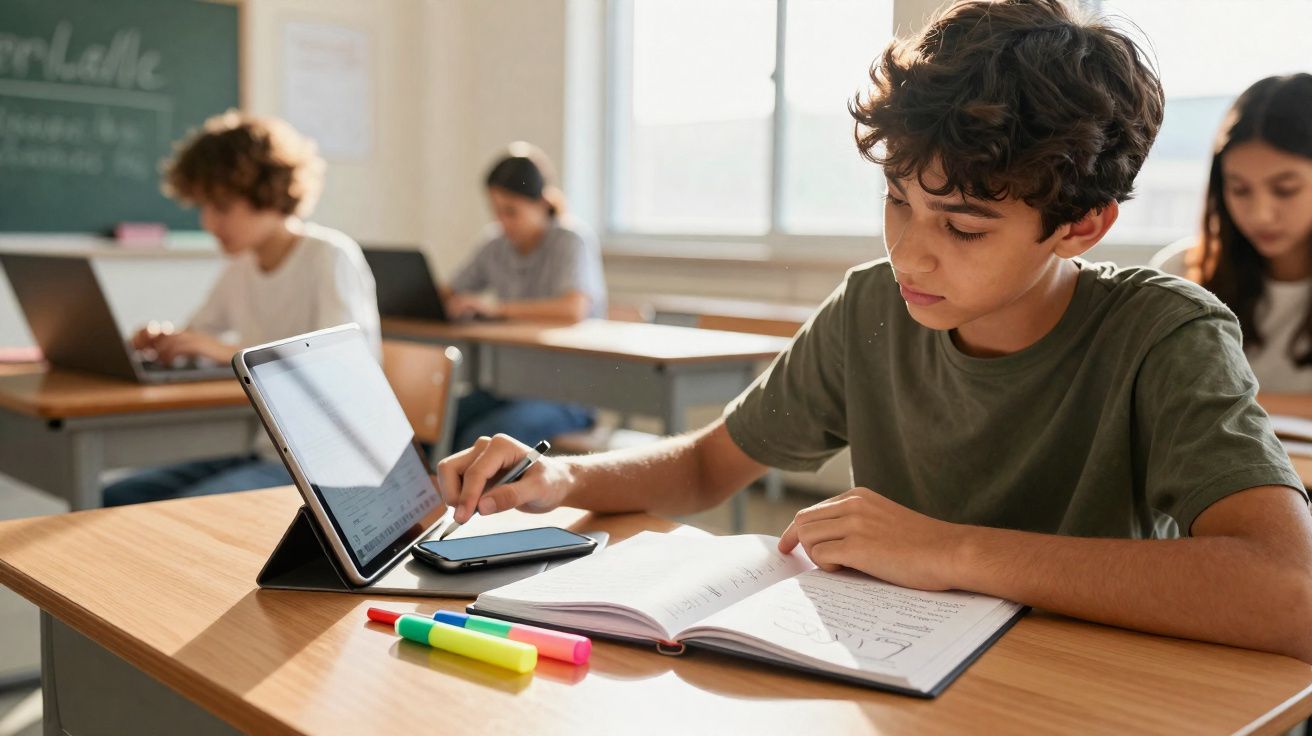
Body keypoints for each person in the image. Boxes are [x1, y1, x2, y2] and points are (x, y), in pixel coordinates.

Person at [437, 0, 1312, 663]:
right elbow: (708, 464)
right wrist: (562, 474)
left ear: (1082, 224)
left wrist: (953, 552)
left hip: (1079, 691)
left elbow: (1288, 588)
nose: (911, 255)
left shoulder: (1165, 332)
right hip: (894, 683)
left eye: (963, 228)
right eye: (897, 201)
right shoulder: (871, 307)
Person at [103, 111, 381, 506]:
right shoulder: (242, 266)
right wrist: (166, 340)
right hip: (271, 450)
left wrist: (227, 353)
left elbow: (343, 376)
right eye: (203, 206)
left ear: (268, 194)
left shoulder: (329, 257)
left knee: (176, 514)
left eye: (221, 206)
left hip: (330, 464)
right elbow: (197, 335)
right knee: (116, 497)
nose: (207, 222)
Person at [1151, 74, 1312, 393]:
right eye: (1239, 189)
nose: (1260, 214)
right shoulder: (1180, 274)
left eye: (1284, 190)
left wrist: (1226, 407)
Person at [445, 143, 606, 450]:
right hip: (511, 386)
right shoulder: (495, 244)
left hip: (568, 395)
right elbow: (453, 288)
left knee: (482, 439)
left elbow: (573, 309)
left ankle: (475, 500)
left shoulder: (571, 241)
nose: (503, 221)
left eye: (511, 212)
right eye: (496, 211)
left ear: (542, 203)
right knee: (439, 422)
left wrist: (495, 309)